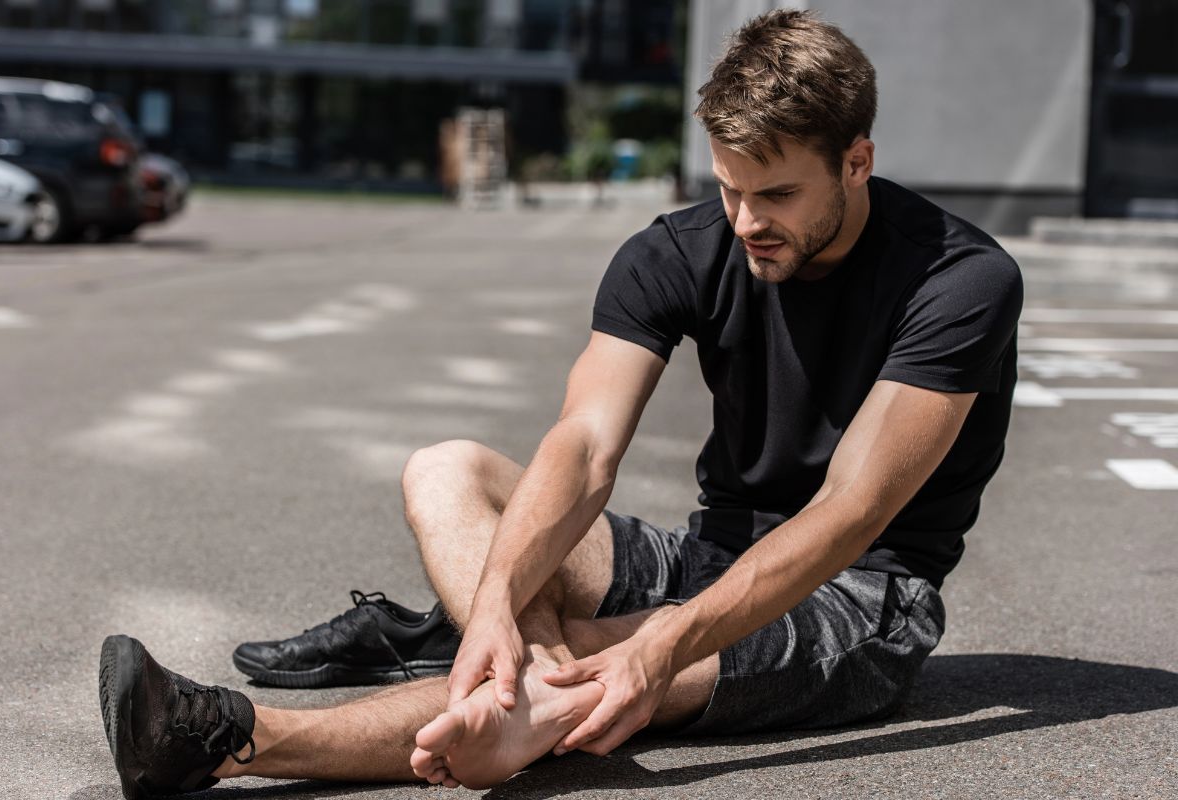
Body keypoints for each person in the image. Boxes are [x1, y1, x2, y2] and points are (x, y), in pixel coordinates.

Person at [96, 9, 1023, 797]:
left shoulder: (959, 279)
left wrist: (661, 644)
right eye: (729, 188)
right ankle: (503, 676)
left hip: (861, 595)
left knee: (594, 652)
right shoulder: (679, 250)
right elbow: (584, 446)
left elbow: (849, 514)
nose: (746, 222)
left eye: (776, 194)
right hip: (711, 550)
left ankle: (227, 738)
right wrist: (499, 602)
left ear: (857, 160)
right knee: (448, 471)